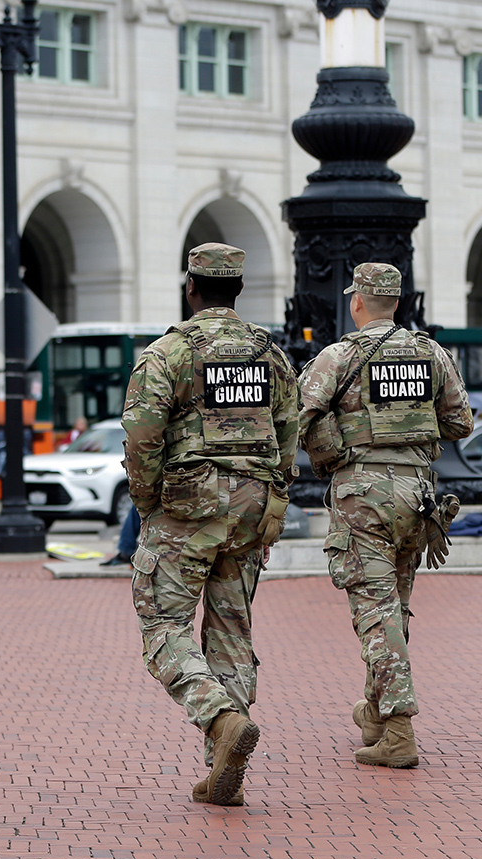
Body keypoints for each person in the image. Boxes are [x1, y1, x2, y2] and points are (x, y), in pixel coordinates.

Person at [122, 243, 300, 807]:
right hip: (252, 505)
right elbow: (289, 433)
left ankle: (220, 719)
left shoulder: (169, 353)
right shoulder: (270, 356)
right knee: (231, 632)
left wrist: (148, 504)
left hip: (187, 506)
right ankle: (224, 764)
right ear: (239, 290)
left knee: (163, 624)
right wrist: (272, 503)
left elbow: (143, 437)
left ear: (191, 287)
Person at [298, 262, 473, 769]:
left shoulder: (340, 356)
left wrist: (334, 450)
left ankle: (398, 731)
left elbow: (303, 416)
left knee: (375, 613)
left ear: (357, 302)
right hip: (416, 496)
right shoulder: (430, 353)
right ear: (398, 301)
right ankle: (375, 713)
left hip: (363, 495)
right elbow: (460, 422)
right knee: (392, 609)